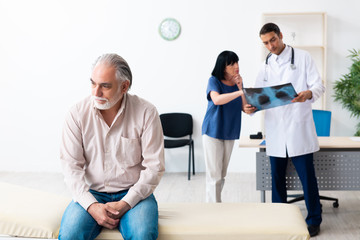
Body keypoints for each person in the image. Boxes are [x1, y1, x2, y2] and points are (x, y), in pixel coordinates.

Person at [59, 53, 165, 240]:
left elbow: (154, 166)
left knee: (143, 234)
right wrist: (91, 206)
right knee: (70, 234)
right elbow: (70, 166)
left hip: (135, 193)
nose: (96, 92)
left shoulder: (146, 112)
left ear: (124, 87)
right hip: (92, 192)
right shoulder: (76, 114)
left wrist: (126, 202)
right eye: (93, 83)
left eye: (105, 86)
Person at [246, 23, 325, 237]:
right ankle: (279, 219)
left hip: (299, 127)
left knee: (307, 178)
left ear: (281, 36)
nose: (270, 46)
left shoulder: (303, 57)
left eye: (273, 40)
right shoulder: (265, 65)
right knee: (277, 180)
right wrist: (249, 107)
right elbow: (256, 96)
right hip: (275, 129)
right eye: (265, 43)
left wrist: (307, 93)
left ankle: (314, 220)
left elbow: (319, 85)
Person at [202, 50, 249, 203]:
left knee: (221, 174)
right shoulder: (213, 80)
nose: (236, 66)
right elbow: (216, 100)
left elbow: (245, 107)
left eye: (237, 62)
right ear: (223, 67)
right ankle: (214, 210)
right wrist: (239, 91)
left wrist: (241, 87)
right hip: (212, 131)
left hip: (229, 131)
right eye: (231, 64)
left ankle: (214, 205)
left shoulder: (237, 84)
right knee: (214, 175)